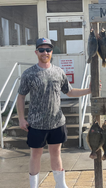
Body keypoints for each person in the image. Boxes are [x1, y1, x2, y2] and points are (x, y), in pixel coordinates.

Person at [16, 38, 92, 188]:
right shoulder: (29, 74)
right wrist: (21, 119)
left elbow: (69, 92)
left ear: (52, 52)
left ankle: (60, 184)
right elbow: (21, 96)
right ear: (36, 52)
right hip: (36, 123)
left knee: (56, 153)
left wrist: (89, 90)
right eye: (42, 50)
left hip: (57, 122)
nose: (45, 53)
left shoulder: (59, 72)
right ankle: (34, 185)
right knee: (35, 154)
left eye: (48, 50)